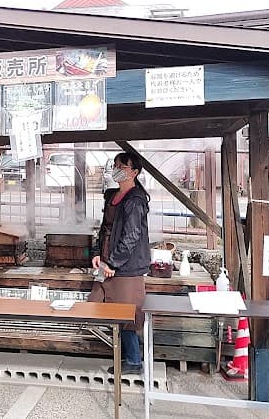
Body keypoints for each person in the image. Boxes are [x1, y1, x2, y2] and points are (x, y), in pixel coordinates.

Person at [90, 152, 151, 375]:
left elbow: (131, 236)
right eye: (115, 165)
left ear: (134, 172)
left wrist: (113, 263)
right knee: (100, 306)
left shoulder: (135, 200)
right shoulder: (112, 196)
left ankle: (134, 360)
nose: (116, 169)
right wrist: (98, 253)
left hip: (126, 268)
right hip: (107, 263)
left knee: (127, 314)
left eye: (122, 166)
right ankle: (123, 355)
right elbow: (104, 228)